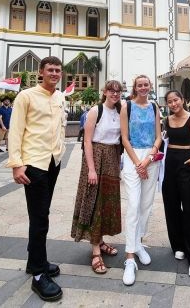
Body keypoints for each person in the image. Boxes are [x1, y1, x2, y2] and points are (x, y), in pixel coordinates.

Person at [6, 56, 66, 302]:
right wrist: (16, 165)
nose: (54, 73)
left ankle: (35, 261)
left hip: (53, 161)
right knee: (40, 217)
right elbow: (16, 130)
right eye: (50, 69)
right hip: (33, 164)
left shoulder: (60, 97)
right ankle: (39, 275)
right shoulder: (26, 96)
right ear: (41, 72)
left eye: (58, 70)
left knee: (42, 213)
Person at [71, 80, 123, 275]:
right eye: (111, 90)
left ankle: (100, 240)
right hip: (95, 157)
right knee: (93, 201)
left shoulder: (120, 112)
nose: (115, 94)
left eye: (118, 91)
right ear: (105, 92)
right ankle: (95, 251)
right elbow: (87, 141)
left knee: (106, 203)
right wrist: (91, 169)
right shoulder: (96, 111)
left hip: (112, 157)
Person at [120, 74, 162, 286]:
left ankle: (138, 243)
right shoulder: (127, 106)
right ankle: (129, 258)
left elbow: (159, 136)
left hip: (151, 159)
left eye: (146, 84)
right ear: (134, 87)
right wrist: (138, 162)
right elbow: (124, 138)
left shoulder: (154, 106)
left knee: (146, 205)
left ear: (150, 86)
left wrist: (148, 159)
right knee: (133, 205)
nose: (143, 87)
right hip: (132, 157)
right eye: (140, 85)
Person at [162, 90, 190, 278]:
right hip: (169, 162)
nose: (173, 104)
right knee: (171, 206)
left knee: (189, 208)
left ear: (183, 100)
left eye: (176, 100)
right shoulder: (166, 120)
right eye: (170, 101)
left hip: (186, 162)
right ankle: (178, 245)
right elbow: (162, 140)